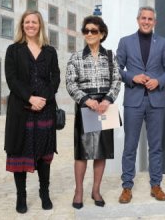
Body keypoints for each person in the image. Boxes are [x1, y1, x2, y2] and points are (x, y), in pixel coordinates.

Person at [116, 6, 165, 203]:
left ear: (154, 22)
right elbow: (116, 69)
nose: (146, 21)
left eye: (150, 19)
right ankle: (126, 187)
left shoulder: (163, 43)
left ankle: (156, 185)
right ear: (138, 19)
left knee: (156, 146)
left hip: (156, 100)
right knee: (130, 145)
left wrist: (158, 81)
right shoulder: (125, 42)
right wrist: (133, 77)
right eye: (143, 18)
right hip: (133, 100)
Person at [4, 10, 60, 214]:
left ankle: (44, 193)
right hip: (22, 110)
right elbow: (11, 79)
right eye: (27, 22)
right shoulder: (13, 50)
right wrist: (30, 98)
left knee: (44, 154)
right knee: (20, 152)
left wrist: (43, 99)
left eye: (34, 22)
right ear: (22, 25)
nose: (30, 25)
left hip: (45, 111)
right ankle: (21, 197)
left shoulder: (50, 51)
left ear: (40, 25)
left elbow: (55, 78)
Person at [65, 16, 122, 209]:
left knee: (101, 152)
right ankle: (78, 191)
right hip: (85, 106)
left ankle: (96, 190)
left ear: (102, 34)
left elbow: (117, 80)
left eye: (93, 31)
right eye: (86, 30)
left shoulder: (111, 56)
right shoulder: (76, 57)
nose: (89, 34)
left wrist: (107, 100)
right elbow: (70, 83)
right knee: (82, 152)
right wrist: (86, 100)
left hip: (105, 106)